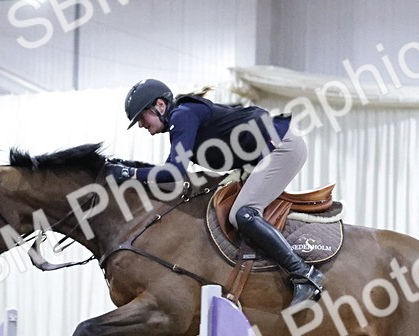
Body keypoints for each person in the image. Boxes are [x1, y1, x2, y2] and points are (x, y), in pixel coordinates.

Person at [112, 78, 324, 309]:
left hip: (282, 148)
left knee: (243, 214)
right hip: (263, 154)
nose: (142, 125)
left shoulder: (182, 116)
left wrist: (129, 173)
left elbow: (174, 171)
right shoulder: (184, 116)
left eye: (142, 117)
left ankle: (304, 274)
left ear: (160, 105)